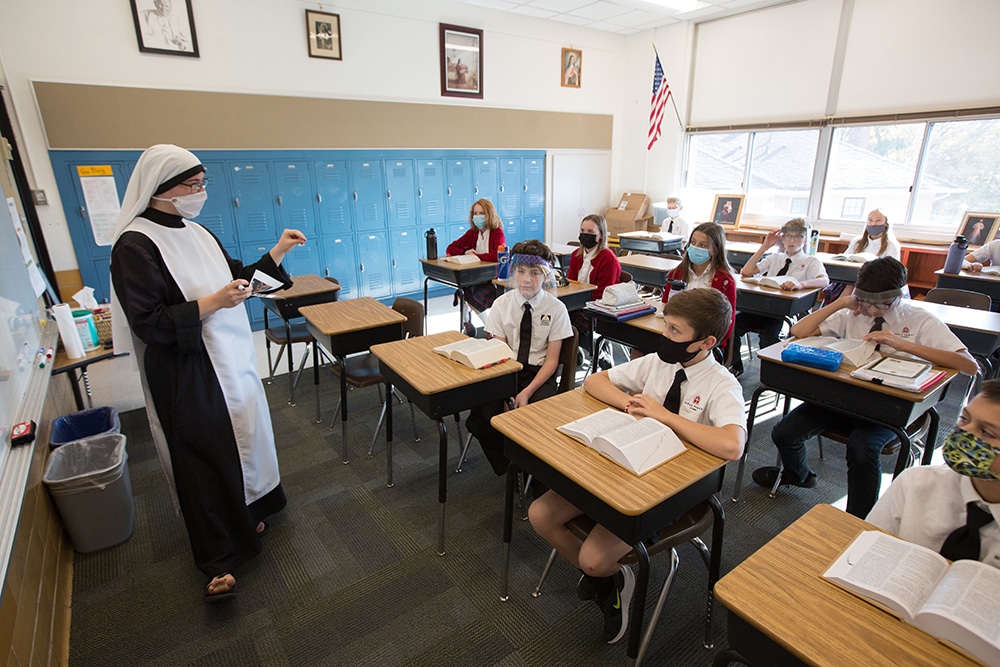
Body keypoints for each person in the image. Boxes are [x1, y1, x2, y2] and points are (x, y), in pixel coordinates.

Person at [109, 144, 305, 602]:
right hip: (186, 367)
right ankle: (217, 558)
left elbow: (238, 277)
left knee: (244, 437)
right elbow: (149, 320)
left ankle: (249, 511)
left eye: (202, 185)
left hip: (230, 358)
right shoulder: (134, 245)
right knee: (203, 455)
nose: (199, 193)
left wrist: (277, 251)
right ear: (161, 189)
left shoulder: (198, 232)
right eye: (191, 185)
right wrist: (215, 302)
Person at [528, 288, 745, 644]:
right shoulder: (658, 363)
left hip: (672, 488)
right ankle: (610, 580)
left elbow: (732, 444)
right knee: (540, 514)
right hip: (625, 467)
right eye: (666, 326)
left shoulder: (722, 384)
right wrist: (630, 404)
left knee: (594, 557)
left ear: (705, 342)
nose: (665, 337)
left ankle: (606, 577)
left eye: (675, 332)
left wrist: (664, 416)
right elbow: (596, 382)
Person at [754, 256, 978, 518]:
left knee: (861, 449)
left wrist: (902, 344)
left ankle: (858, 520)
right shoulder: (853, 312)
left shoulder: (919, 319)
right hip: (844, 398)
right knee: (784, 433)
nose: (870, 310)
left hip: (888, 407)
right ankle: (799, 475)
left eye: (879, 304)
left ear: (897, 296)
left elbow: (968, 365)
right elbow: (801, 331)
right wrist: (841, 302)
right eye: (865, 301)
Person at [465, 240, 572, 476]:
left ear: (546, 276)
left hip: (538, 375)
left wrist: (526, 392)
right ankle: (510, 467)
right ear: (513, 272)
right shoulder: (501, 305)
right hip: (506, 370)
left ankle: (533, 471)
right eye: (521, 272)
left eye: (535, 273)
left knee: (537, 421)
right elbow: (501, 354)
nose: (526, 279)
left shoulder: (556, 309)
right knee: (480, 418)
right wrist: (506, 393)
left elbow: (552, 361)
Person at [867, 379, 1000, 568]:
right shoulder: (915, 483)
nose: (964, 432)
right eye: (965, 419)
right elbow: (866, 548)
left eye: (987, 432)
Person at [730, 218, 830, 377]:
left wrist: (800, 285)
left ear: (804, 239)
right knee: (733, 326)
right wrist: (765, 246)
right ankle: (735, 366)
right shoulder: (775, 257)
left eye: (797, 237)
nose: (792, 241)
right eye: (788, 236)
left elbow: (824, 280)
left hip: (783, 313)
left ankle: (772, 375)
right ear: (782, 238)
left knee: (769, 336)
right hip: (762, 308)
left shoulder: (810, 261)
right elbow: (747, 272)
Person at [661, 222, 736, 356]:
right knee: (640, 348)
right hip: (674, 333)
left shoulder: (724, 280)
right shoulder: (676, 273)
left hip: (702, 342)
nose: (695, 248)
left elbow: (726, 322)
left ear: (715, 250)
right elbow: (665, 305)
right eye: (693, 243)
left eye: (703, 245)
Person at [446, 198, 505, 336]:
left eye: (481, 213)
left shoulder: (497, 233)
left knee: (467, 292)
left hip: (492, 278)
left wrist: (478, 256)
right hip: (475, 276)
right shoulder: (472, 233)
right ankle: (468, 323)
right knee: (462, 290)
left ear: (489, 214)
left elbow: (498, 255)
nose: (477, 217)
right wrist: (464, 252)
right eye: (475, 213)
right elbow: (450, 248)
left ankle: (490, 327)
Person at [822, 209, 901, 305]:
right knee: (848, 284)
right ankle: (837, 309)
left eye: (878, 220)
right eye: (870, 220)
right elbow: (846, 258)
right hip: (851, 277)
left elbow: (892, 271)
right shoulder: (857, 241)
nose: (873, 224)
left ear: (886, 224)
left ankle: (838, 309)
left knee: (852, 286)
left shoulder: (891, 246)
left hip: (874, 281)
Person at [566, 213, 621, 347]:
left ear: (600, 235)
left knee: (568, 323)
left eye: (590, 232)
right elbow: (570, 283)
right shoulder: (576, 255)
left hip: (597, 308)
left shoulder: (608, 259)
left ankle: (591, 352)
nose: (585, 235)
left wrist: (579, 300)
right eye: (583, 231)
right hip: (577, 304)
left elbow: (604, 293)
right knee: (552, 316)